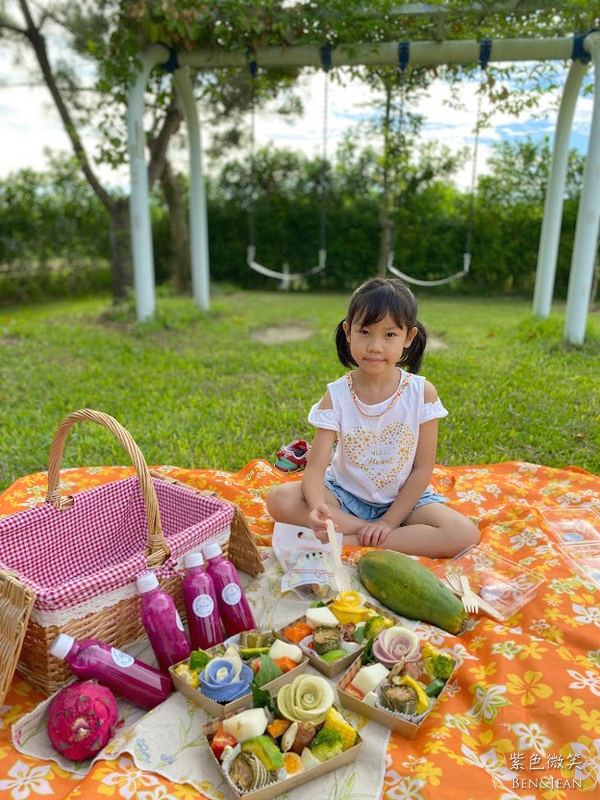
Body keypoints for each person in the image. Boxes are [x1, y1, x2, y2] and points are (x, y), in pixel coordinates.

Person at [267, 277, 480, 558]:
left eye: (389, 335)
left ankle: (351, 540)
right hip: (343, 497)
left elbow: (422, 469)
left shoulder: (422, 393)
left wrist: (389, 521)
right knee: (279, 499)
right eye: (365, 332)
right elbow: (316, 467)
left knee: (464, 534)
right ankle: (373, 533)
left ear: (409, 337)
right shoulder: (337, 394)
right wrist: (319, 506)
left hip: (404, 503)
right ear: (348, 331)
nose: (375, 346)